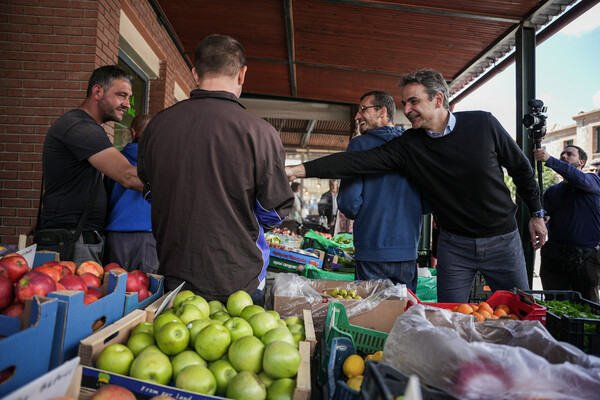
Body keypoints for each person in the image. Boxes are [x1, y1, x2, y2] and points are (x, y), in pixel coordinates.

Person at [287, 68, 547, 303]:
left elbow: (521, 169)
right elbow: (357, 161)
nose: (407, 109)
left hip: (502, 240)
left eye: (414, 101)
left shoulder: (483, 124)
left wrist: (536, 214)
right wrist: (299, 170)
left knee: (521, 312)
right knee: (447, 317)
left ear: (438, 100)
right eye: (404, 103)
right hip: (454, 246)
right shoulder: (410, 143)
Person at [138, 34, 294, 304]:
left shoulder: (157, 127)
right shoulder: (260, 133)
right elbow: (275, 211)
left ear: (195, 72)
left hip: (175, 273)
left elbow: (151, 192)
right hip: (239, 281)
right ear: (242, 74)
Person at [40, 65, 143, 264]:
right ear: (97, 91)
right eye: (121, 95)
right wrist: (176, 185)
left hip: (75, 236)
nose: (127, 104)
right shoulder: (81, 127)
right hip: (71, 239)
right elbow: (128, 176)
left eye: (129, 97)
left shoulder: (83, 126)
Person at [337, 91, 426, 293]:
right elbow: (428, 200)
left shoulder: (359, 145)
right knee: (403, 315)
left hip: (371, 250)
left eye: (363, 109)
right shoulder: (415, 144)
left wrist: (369, 212)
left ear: (382, 111)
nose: (357, 116)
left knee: (369, 317)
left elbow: (348, 203)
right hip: (406, 251)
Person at [533, 146, 600, 302]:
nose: (564, 155)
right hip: (555, 255)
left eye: (570, 154)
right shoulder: (551, 192)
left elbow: (577, 178)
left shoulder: (592, 181)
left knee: (587, 305)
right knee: (555, 303)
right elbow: (545, 218)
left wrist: (550, 160)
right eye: (562, 153)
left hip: (586, 256)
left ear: (581, 162)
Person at [104, 114, 159, 274]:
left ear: (133, 133)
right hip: (149, 235)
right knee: (147, 291)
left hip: (116, 234)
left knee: (115, 288)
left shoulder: (115, 161)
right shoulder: (161, 163)